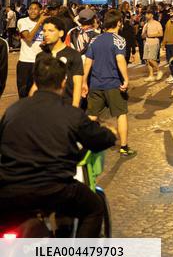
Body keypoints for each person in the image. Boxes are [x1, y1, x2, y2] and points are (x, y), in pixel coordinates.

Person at [0, 54, 117, 249]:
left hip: (9, 189)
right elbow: (98, 139)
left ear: (36, 81)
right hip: (53, 189)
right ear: (64, 82)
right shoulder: (71, 114)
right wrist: (111, 134)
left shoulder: (13, 110)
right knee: (94, 208)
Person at [82, 9, 135, 157]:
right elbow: (120, 60)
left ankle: (83, 145)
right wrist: (126, 79)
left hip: (95, 84)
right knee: (121, 114)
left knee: (92, 115)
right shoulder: (119, 40)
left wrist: (84, 81)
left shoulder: (95, 39)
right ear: (119, 22)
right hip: (114, 84)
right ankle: (124, 147)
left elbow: (88, 62)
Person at [36, 16, 85, 108]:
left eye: (51, 31)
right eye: (44, 30)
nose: (46, 34)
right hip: (44, 105)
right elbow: (36, 84)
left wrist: (75, 106)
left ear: (61, 33)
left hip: (66, 104)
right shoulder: (41, 56)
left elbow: (78, 84)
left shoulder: (73, 55)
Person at [16, 1, 44, 98]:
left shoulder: (46, 24)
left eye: (35, 9)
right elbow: (28, 38)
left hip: (40, 63)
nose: (32, 11)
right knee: (23, 93)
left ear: (41, 11)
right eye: (30, 9)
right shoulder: (22, 21)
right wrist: (39, 23)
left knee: (39, 94)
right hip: (25, 63)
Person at [141, 8, 164, 81]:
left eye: (148, 14)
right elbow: (143, 35)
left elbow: (161, 33)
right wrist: (144, 33)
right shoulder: (146, 24)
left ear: (152, 15)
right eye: (146, 14)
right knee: (147, 60)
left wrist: (151, 35)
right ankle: (151, 75)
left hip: (154, 43)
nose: (146, 15)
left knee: (151, 59)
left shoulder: (157, 23)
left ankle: (159, 70)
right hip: (147, 43)